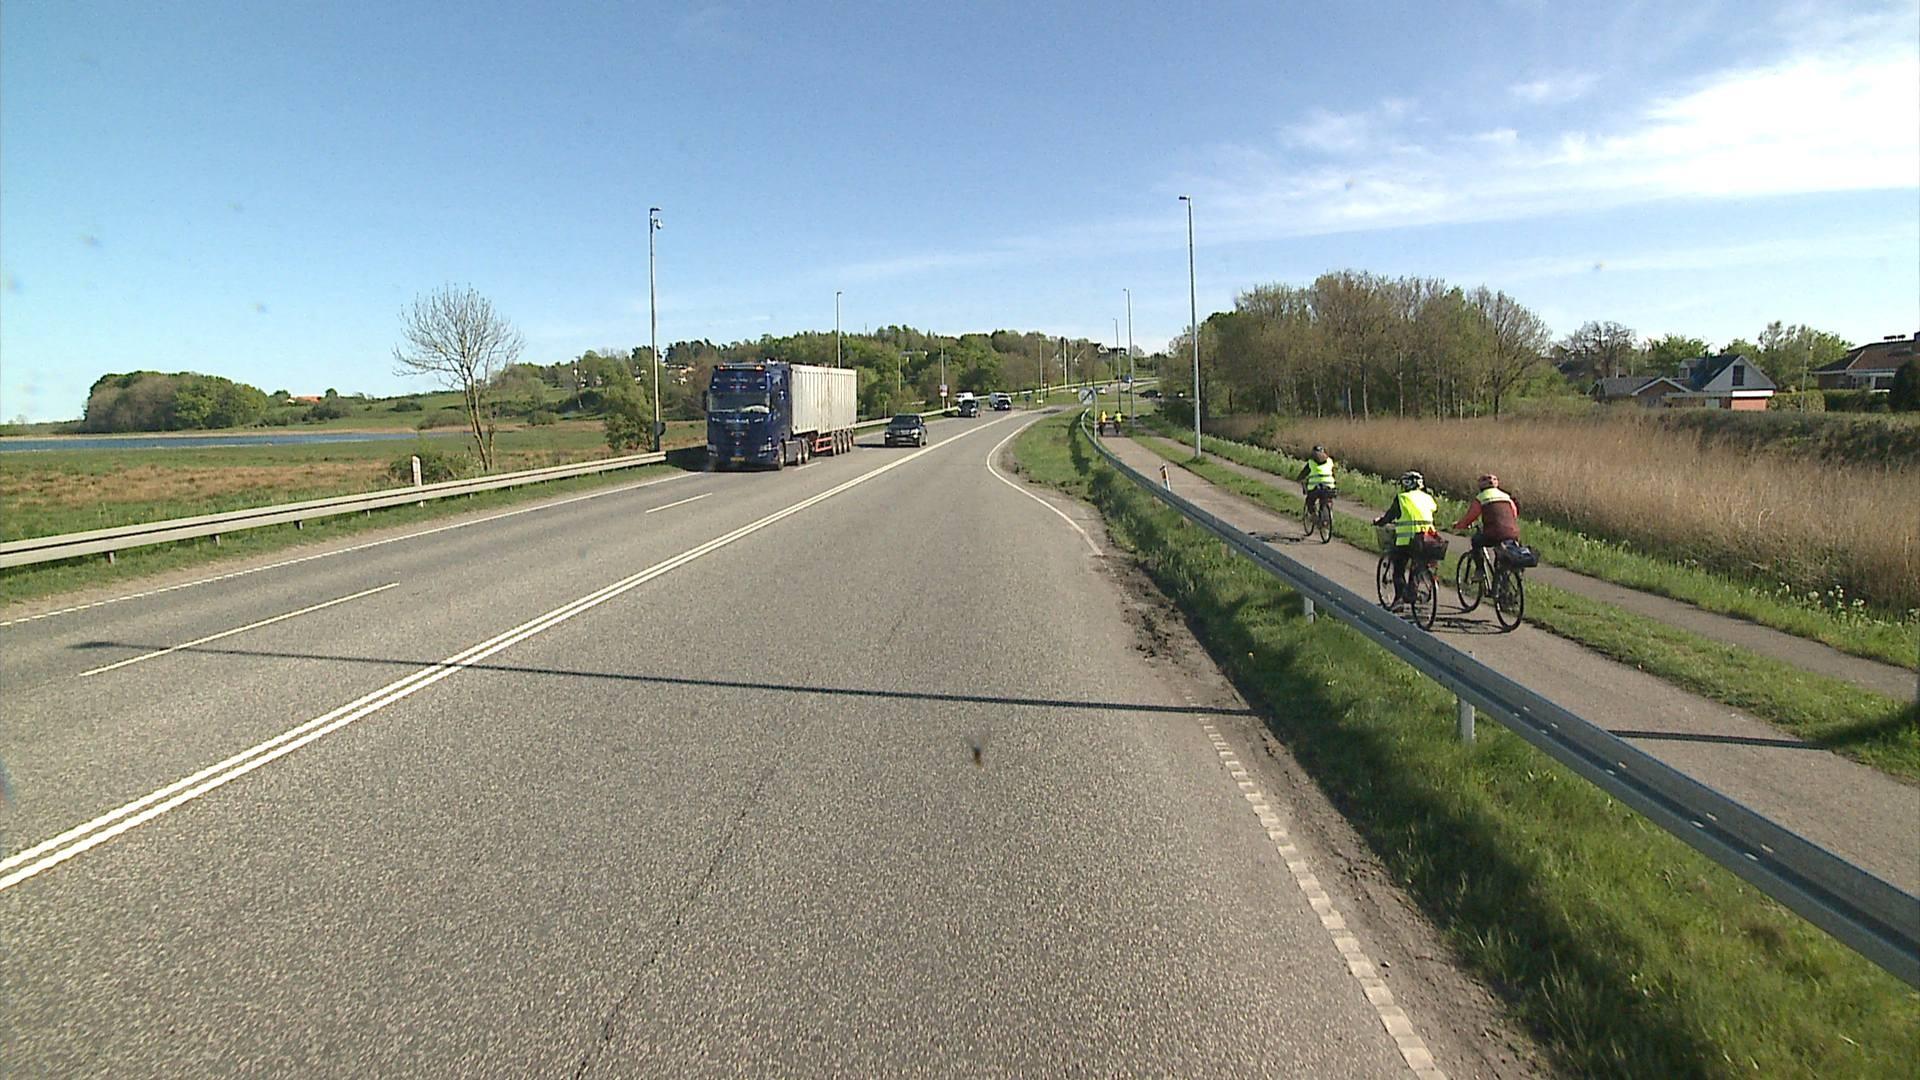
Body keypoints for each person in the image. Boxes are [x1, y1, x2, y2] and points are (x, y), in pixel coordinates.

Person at [1373, 470, 1437, 609]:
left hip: (1407, 540)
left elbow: (1390, 516)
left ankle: (1399, 600)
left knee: (1398, 569)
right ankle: (1414, 590)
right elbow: (1432, 509)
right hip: (1428, 538)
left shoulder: (1402, 498)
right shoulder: (1428, 498)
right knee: (1418, 564)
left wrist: (1380, 521)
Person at [1452, 473, 1520, 571]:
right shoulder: (1506, 497)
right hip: (1512, 532)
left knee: (1476, 541)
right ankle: (1502, 575)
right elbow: (1514, 514)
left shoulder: (1481, 497)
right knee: (1502, 553)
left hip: (1494, 533)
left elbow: (1470, 517)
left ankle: (1479, 571)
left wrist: (1459, 525)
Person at [1295, 445, 1337, 524]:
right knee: (1325, 500)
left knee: (1309, 501)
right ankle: (1327, 517)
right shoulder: (1330, 461)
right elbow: (1333, 474)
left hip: (1315, 488)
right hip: (1329, 487)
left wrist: (1298, 479)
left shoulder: (1311, 462)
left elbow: (1303, 474)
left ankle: (1314, 516)